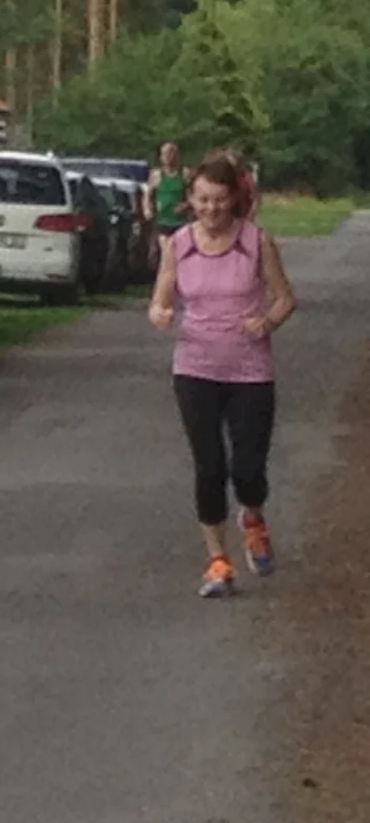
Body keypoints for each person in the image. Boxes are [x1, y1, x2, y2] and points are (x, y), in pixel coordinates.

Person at [149, 150, 296, 597]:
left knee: (247, 469)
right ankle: (218, 560)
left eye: (219, 200)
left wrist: (267, 322)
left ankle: (252, 517)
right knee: (209, 467)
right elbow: (160, 298)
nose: (211, 209)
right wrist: (161, 312)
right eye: (203, 200)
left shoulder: (256, 241)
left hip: (250, 371)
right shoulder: (179, 244)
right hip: (195, 369)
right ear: (190, 201)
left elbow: (285, 298)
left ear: (235, 199)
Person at [145, 142, 191, 268]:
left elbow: (193, 195)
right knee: (161, 254)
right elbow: (148, 195)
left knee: (180, 253)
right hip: (162, 220)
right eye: (165, 154)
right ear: (160, 157)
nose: (168, 156)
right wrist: (147, 209)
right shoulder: (157, 175)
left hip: (180, 221)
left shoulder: (184, 174)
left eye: (172, 153)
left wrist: (186, 205)